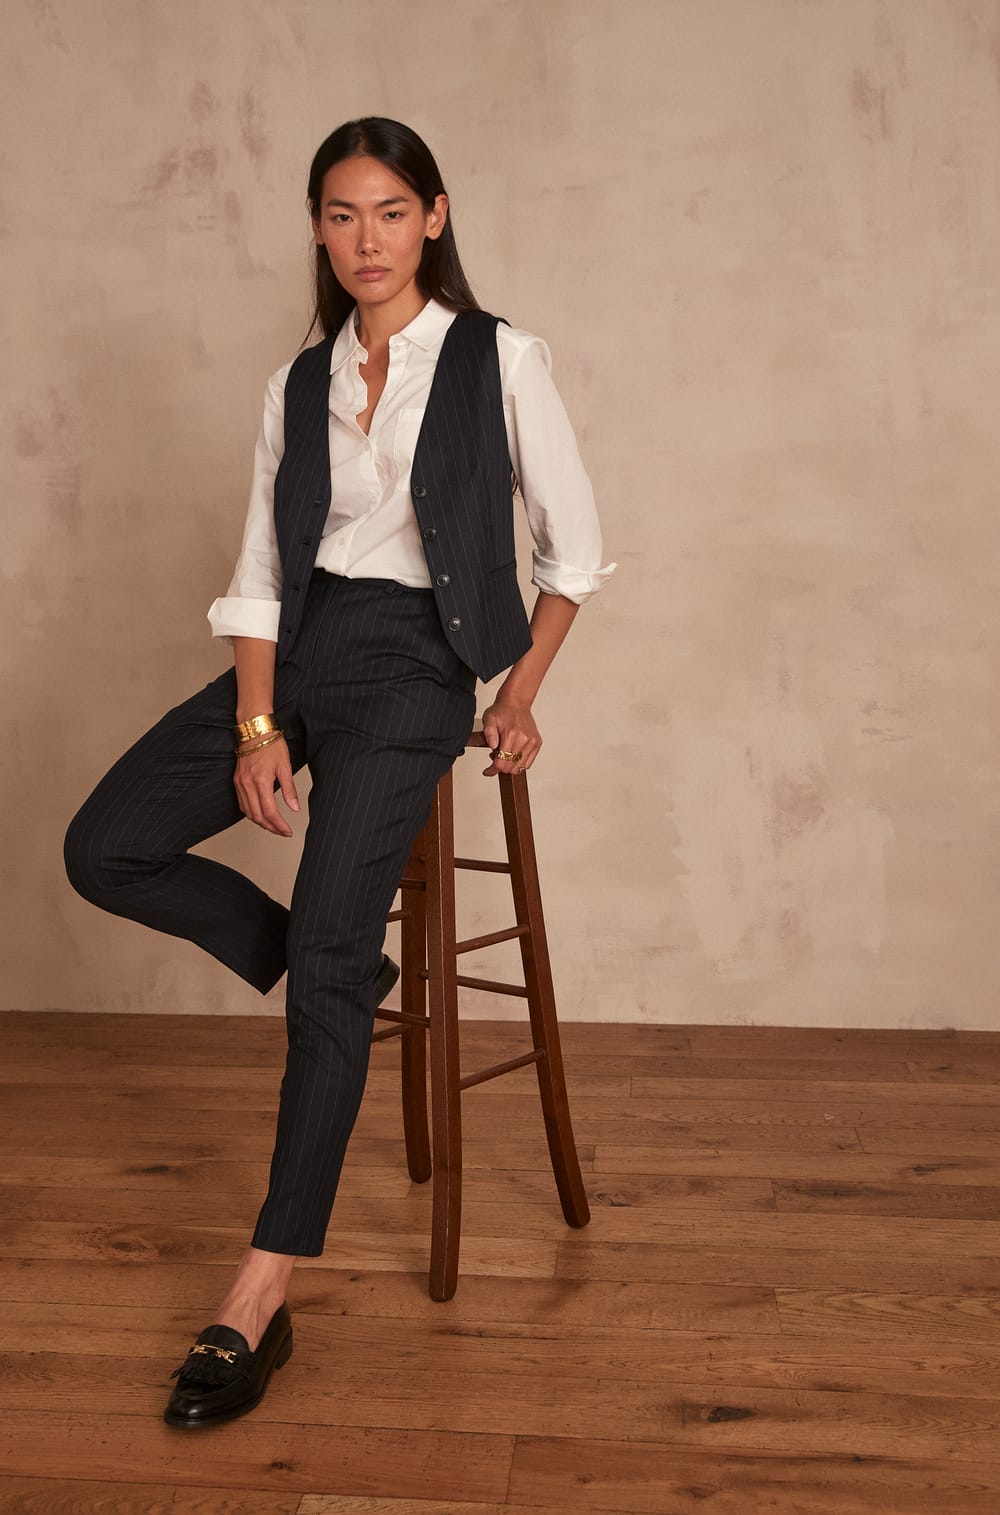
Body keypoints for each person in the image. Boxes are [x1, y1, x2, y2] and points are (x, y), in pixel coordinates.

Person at [64, 116, 614, 1429]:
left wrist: (518, 697)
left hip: (419, 668)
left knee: (323, 960)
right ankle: (332, 965)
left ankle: (260, 1291)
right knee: (108, 845)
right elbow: (262, 567)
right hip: (300, 648)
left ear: (434, 216)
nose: (366, 239)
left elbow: (574, 553)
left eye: (390, 211)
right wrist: (257, 726)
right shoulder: (297, 381)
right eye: (340, 214)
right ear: (317, 229)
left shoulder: (500, 359)